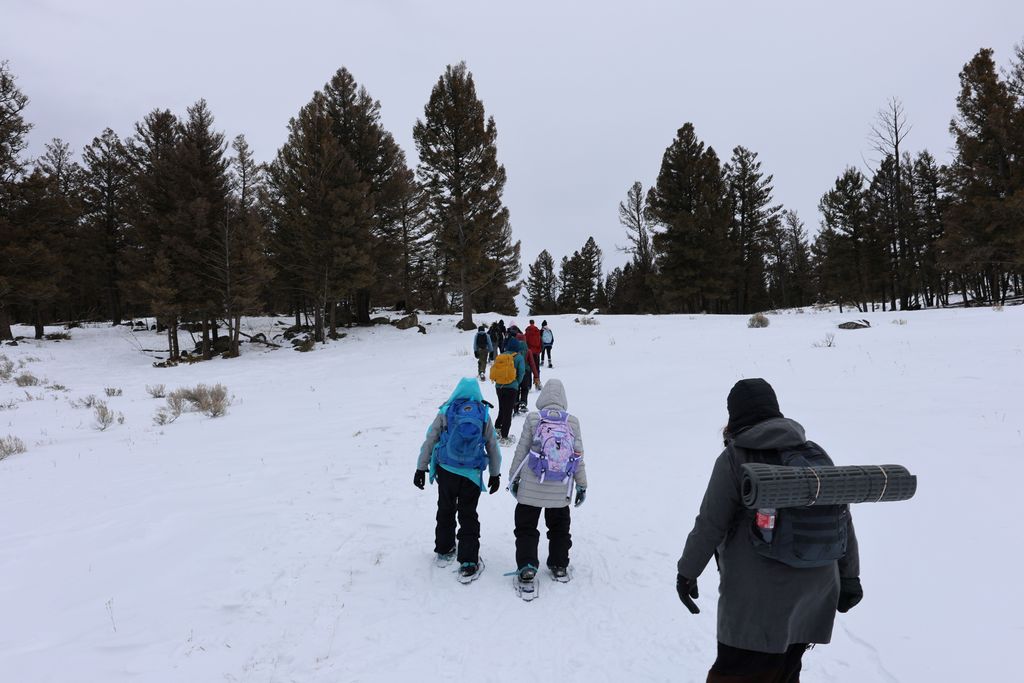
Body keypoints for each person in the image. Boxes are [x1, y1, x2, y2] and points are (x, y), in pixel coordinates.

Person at [675, 378, 862, 683]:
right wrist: (850, 577)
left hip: (758, 601)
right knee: (784, 673)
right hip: (815, 592)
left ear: (734, 416)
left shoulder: (735, 458)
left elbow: (710, 522)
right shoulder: (813, 452)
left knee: (735, 674)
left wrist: (687, 573)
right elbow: (843, 517)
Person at [414, 378, 502, 580]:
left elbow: (430, 439)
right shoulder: (482, 414)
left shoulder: (446, 411)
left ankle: (444, 549)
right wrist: (495, 474)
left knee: (445, 508)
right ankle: (469, 560)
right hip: (471, 474)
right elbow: (493, 446)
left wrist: (421, 468)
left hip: (446, 470)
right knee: (468, 513)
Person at [507, 379, 587, 583]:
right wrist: (582, 485)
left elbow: (521, 450)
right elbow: (578, 456)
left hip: (531, 486)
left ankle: (527, 566)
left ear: (542, 398)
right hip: (560, 489)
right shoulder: (572, 421)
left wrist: (513, 479)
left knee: (526, 528)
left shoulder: (534, 418)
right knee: (559, 528)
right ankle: (559, 565)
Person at [492, 338, 527, 444]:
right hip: (511, 388)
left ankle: (497, 429)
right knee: (508, 411)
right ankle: (504, 436)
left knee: (502, 408)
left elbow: (495, 369)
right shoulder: (519, 357)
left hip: (499, 387)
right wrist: (516, 382)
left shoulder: (501, 356)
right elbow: (521, 372)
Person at [514, 330, 540, 410]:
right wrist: (536, 376)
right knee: (525, 388)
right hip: (526, 373)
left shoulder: (514, 351)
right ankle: (523, 403)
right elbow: (532, 364)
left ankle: (515, 404)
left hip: (516, 373)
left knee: (517, 388)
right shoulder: (528, 351)